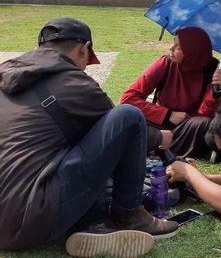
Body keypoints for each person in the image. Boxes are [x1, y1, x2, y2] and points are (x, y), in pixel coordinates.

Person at [0, 17, 177, 255]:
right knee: (129, 116)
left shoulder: (7, 79)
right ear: (84, 49)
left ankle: (90, 222)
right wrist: (161, 138)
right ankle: (128, 214)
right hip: (28, 219)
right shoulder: (74, 82)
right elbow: (121, 131)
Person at [121, 27, 221, 158]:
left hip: (188, 125)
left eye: (179, 47)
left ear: (192, 51)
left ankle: (154, 146)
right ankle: (164, 145)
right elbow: (128, 98)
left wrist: (217, 91)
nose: (171, 48)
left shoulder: (215, 71)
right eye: (173, 42)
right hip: (159, 121)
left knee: (206, 124)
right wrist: (167, 115)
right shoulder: (164, 64)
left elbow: (204, 114)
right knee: (128, 116)